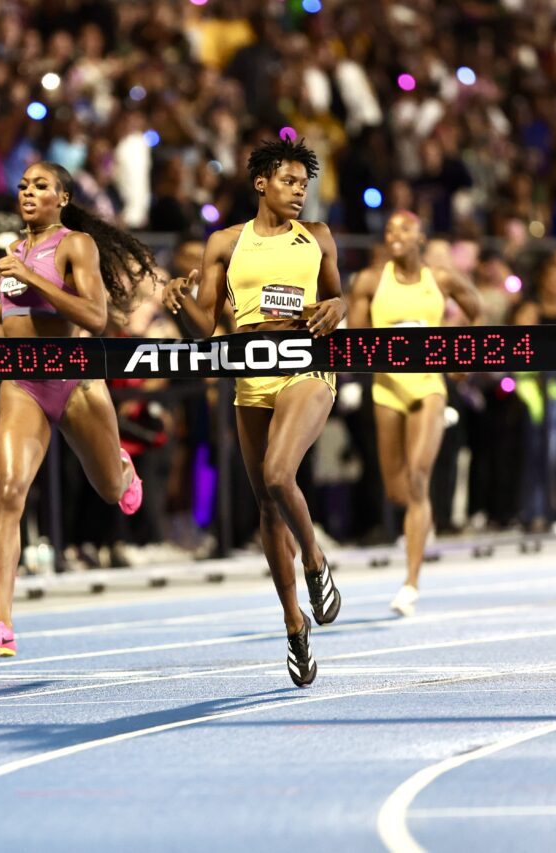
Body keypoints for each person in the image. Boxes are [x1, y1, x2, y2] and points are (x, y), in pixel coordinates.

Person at [0, 161, 151, 659]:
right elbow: (16, 312)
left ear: (62, 198)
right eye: (24, 185)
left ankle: (123, 469)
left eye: (40, 186)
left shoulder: (75, 245)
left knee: (111, 491)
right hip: (23, 381)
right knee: (9, 493)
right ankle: (3, 623)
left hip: (74, 380)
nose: (28, 192)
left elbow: (94, 316)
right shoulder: (14, 251)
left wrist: (31, 277)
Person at [162, 138, 347, 687]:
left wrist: (338, 307)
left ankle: (315, 562)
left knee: (278, 473)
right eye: (289, 182)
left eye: (304, 185)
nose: (299, 192)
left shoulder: (318, 236)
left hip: (306, 366)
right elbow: (206, 325)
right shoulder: (224, 242)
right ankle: (294, 626)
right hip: (251, 376)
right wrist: (179, 301)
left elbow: (336, 299)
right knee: (267, 506)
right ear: (261, 183)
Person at [347, 211, 481, 618]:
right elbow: (354, 341)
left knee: (419, 479)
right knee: (397, 491)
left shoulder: (440, 278)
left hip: (428, 387)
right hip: (387, 389)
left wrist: (462, 355)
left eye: (404, 228)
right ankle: (421, 520)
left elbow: (477, 311)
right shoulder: (370, 280)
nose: (395, 234)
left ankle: (411, 583)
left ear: (420, 237)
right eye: (389, 229)